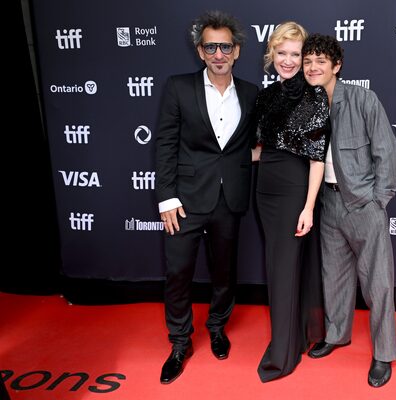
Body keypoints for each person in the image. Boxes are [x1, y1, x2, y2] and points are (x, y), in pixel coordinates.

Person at [154, 10, 258, 384]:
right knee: (178, 272)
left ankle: (217, 327)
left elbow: (245, 144)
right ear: (200, 52)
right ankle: (180, 342)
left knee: (224, 271)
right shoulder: (178, 87)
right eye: (211, 47)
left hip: (229, 198)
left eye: (225, 47)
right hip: (184, 200)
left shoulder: (251, 93)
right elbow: (165, 144)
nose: (218, 54)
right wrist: (167, 197)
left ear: (237, 51)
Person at [302, 34, 396, 388]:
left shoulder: (362, 99)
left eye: (320, 61)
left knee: (378, 282)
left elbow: (387, 153)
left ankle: (384, 353)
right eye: (307, 61)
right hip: (328, 203)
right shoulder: (307, 105)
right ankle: (336, 334)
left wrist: (378, 201)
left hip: (363, 204)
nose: (312, 67)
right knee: (334, 275)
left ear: (336, 65)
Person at [254, 22, 329, 382]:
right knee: (279, 269)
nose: (288, 60)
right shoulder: (266, 96)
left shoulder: (314, 96)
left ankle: (281, 355)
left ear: (304, 57)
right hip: (264, 190)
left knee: (282, 273)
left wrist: (308, 207)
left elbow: (317, 158)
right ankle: (295, 337)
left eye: (295, 54)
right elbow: (260, 150)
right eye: (281, 53)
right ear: (272, 54)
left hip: (293, 192)